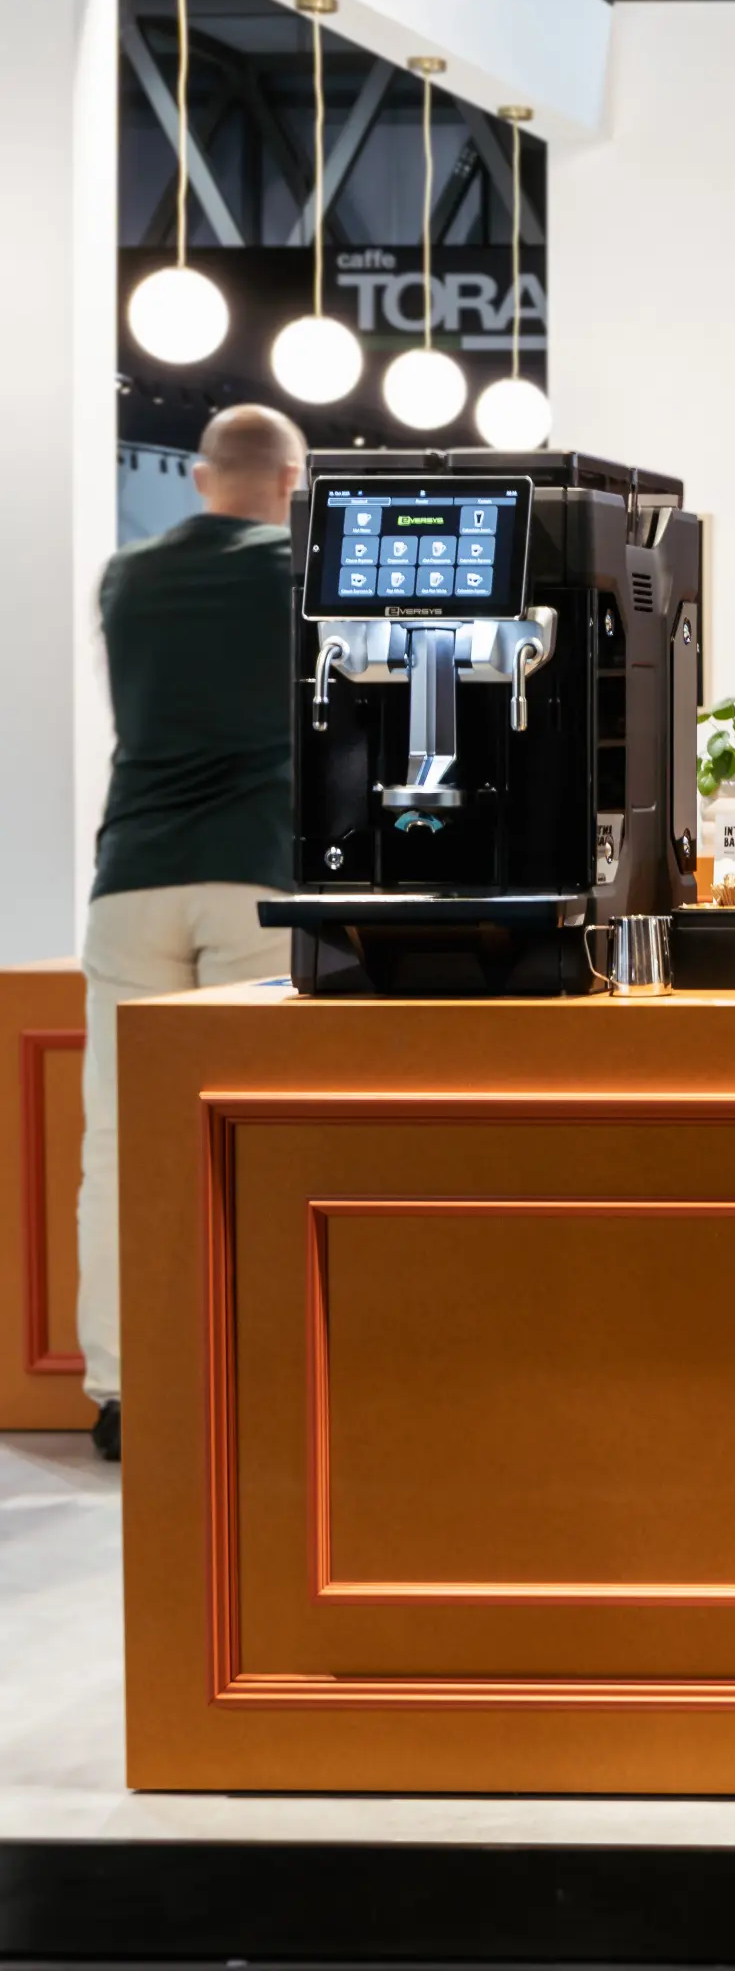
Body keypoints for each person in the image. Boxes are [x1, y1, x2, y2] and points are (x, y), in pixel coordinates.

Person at [75, 405, 306, 1461]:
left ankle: (123, 1391)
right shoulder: (293, 569)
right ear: (290, 480)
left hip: (132, 876)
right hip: (253, 871)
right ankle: (256, 1374)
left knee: (120, 1140)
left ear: (203, 475)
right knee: (253, 1132)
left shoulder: (128, 576)